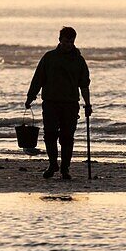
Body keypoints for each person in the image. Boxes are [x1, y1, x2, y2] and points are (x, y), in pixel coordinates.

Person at [25, 26, 92, 179]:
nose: (69, 44)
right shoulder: (49, 57)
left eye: (71, 41)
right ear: (60, 40)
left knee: (67, 137)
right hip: (50, 103)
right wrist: (30, 97)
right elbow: (38, 79)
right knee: (50, 135)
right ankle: (52, 164)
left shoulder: (79, 60)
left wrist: (88, 105)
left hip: (70, 104)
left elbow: (84, 85)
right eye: (66, 41)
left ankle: (65, 168)